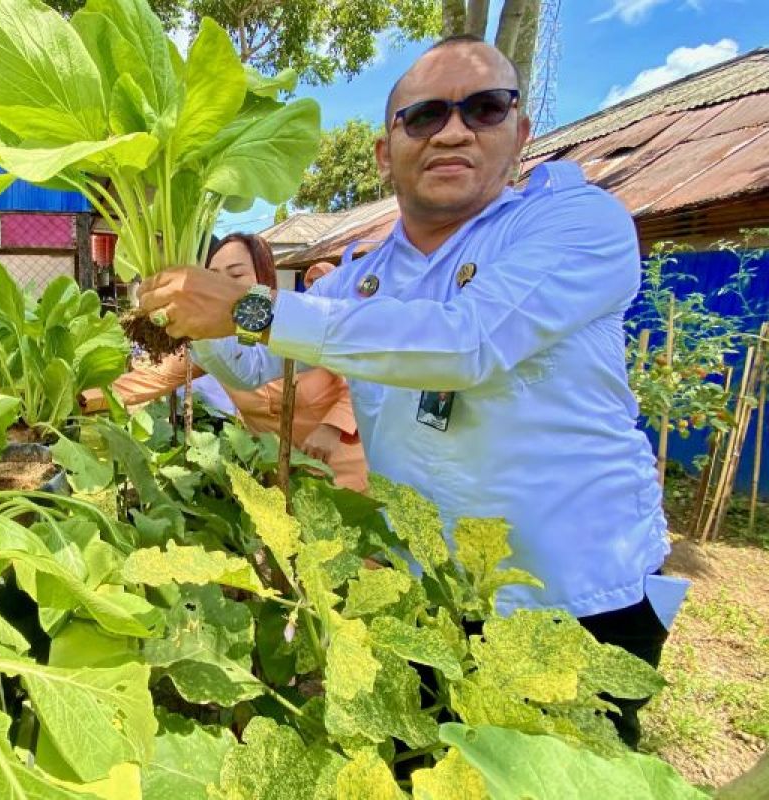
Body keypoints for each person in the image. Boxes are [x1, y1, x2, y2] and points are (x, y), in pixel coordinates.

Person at [138, 35, 670, 747]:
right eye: (423, 116)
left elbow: (464, 341)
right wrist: (186, 314)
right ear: (386, 151)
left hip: (572, 609)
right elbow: (254, 368)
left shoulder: (575, 223)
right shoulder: (364, 274)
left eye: (484, 108)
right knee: (424, 774)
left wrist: (245, 308)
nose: (453, 130)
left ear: (520, 132)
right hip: (427, 601)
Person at [86, 234, 368, 492]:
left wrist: (333, 427)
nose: (218, 288)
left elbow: (364, 365)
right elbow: (151, 378)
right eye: (212, 278)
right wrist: (81, 397)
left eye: (235, 275)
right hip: (279, 475)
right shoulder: (216, 346)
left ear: (264, 279)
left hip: (339, 458)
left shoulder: (298, 319)